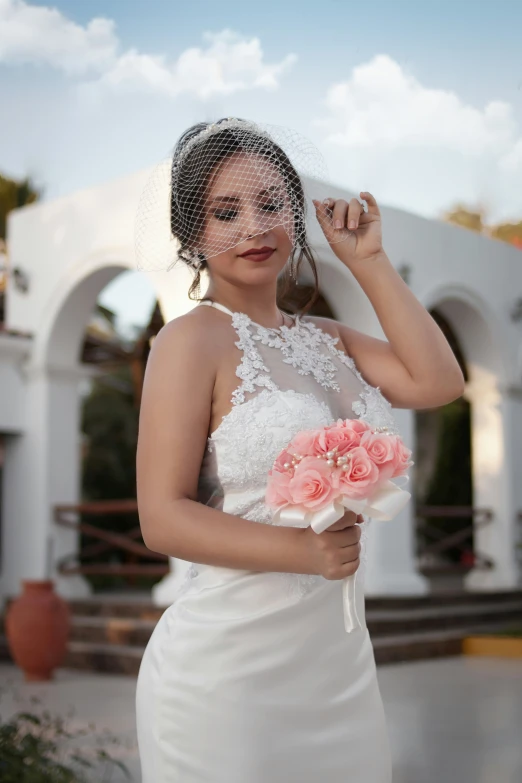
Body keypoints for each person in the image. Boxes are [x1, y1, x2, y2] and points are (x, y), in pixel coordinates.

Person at [134, 117, 465, 782]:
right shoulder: (188, 340)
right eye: (225, 212)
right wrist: (302, 551)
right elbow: (161, 517)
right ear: (193, 233)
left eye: (270, 204)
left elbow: (440, 381)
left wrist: (368, 262)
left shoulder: (331, 340)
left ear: (297, 212)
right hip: (227, 677)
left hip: (338, 670)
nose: (253, 227)